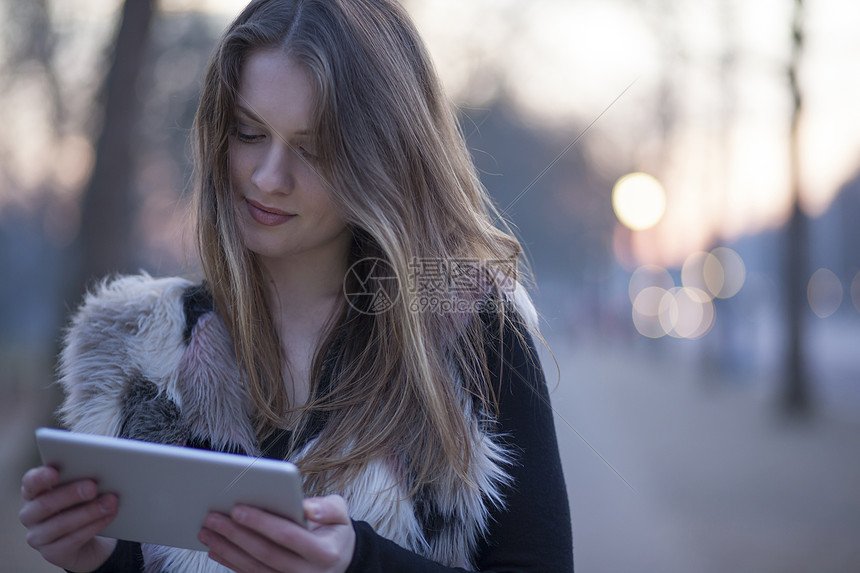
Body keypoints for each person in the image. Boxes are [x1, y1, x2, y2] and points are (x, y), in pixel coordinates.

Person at [19, 0, 574, 571]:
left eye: (312, 150)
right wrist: (101, 559)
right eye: (250, 133)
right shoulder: (141, 351)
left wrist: (361, 564)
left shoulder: (471, 330)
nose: (267, 178)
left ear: (380, 157)